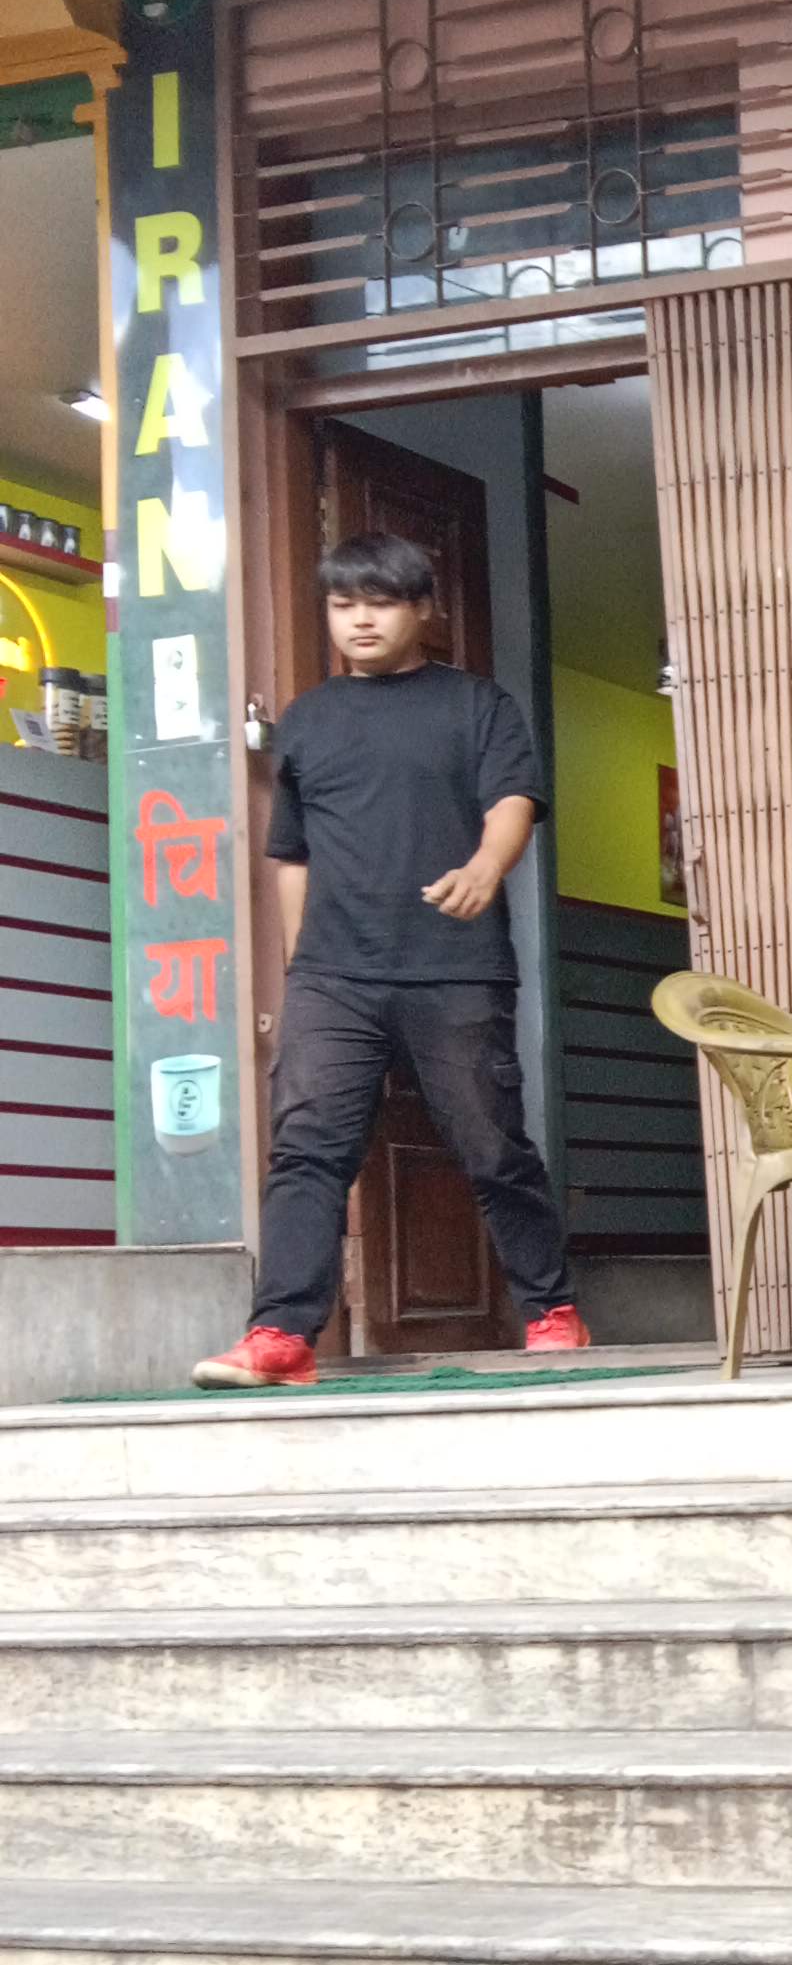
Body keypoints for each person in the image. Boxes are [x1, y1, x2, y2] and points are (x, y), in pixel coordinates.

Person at [193, 532, 589, 1390]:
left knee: (491, 1145)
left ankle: (551, 1311)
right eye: (344, 604)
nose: (360, 620)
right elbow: (291, 855)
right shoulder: (308, 718)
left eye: (379, 602)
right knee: (307, 1150)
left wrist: (486, 868)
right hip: (333, 977)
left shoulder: (477, 705)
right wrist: (300, 968)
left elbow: (514, 802)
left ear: (422, 609)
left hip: (455, 966)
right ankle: (280, 1334)